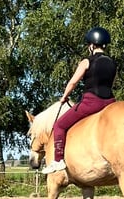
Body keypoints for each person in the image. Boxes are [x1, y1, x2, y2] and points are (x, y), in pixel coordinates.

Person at [41, 27, 117, 174]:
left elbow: (73, 82)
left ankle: (58, 160)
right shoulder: (113, 64)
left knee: (59, 126)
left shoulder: (86, 62)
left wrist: (64, 97)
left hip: (91, 102)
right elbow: (111, 84)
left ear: (92, 45)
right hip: (110, 103)